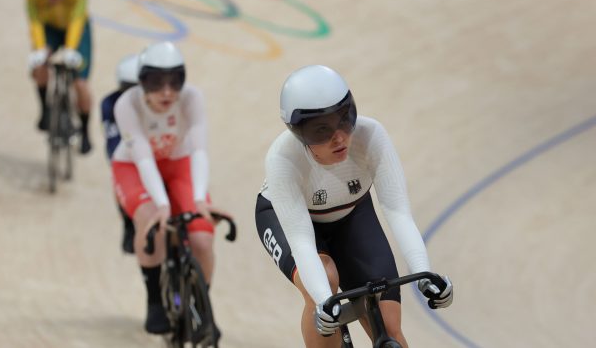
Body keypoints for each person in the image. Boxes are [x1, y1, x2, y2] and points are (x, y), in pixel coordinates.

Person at [255, 65, 453, 348]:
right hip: (287, 219)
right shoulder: (282, 158)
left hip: (351, 215)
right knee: (324, 283)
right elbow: (300, 240)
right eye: (321, 130)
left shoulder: (371, 136)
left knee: (389, 327)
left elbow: (397, 212)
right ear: (297, 132)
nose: (339, 137)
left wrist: (425, 274)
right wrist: (324, 301)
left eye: (345, 120)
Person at [111, 41, 217, 335]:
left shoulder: (192, 97)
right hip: (133, 166)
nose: (168, 92)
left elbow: (199, 151)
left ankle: (199, 303)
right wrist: (162, 205)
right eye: (157, 84)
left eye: (175, 82)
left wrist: (198, 199)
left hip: (178, 163)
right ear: (142, 83)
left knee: (202, 239)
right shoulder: (126, 104)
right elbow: (143, 158)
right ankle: (155, 301)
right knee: (151, 224)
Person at [26, 0, 93, 154]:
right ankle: (45, 110)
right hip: (51, 29)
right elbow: (35, 23)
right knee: (39, 66)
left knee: (80, 83)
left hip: (77, 31)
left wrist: (71, 48)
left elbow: (77, 20)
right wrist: (39, 50)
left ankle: (85, 132)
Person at [100, 55, 139, 254]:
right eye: (127, 88)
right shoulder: (109, 103)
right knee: (118, 176)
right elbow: (112, 145)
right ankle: (127, 222)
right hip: (126, 151)